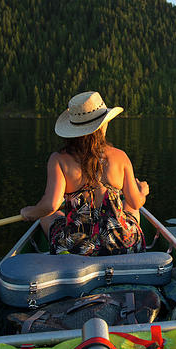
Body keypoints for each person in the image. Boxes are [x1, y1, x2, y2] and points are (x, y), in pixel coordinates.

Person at [20, 91, 150, 255]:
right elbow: (136, 202)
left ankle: (64, 254)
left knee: (47, 216)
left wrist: (29, 212)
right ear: (103, 125)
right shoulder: (120, 156)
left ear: (72, 129)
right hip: (121, 246)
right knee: (130, 206)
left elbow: (50, 206)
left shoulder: (59, 159)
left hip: (78, 249)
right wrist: (142, 192)